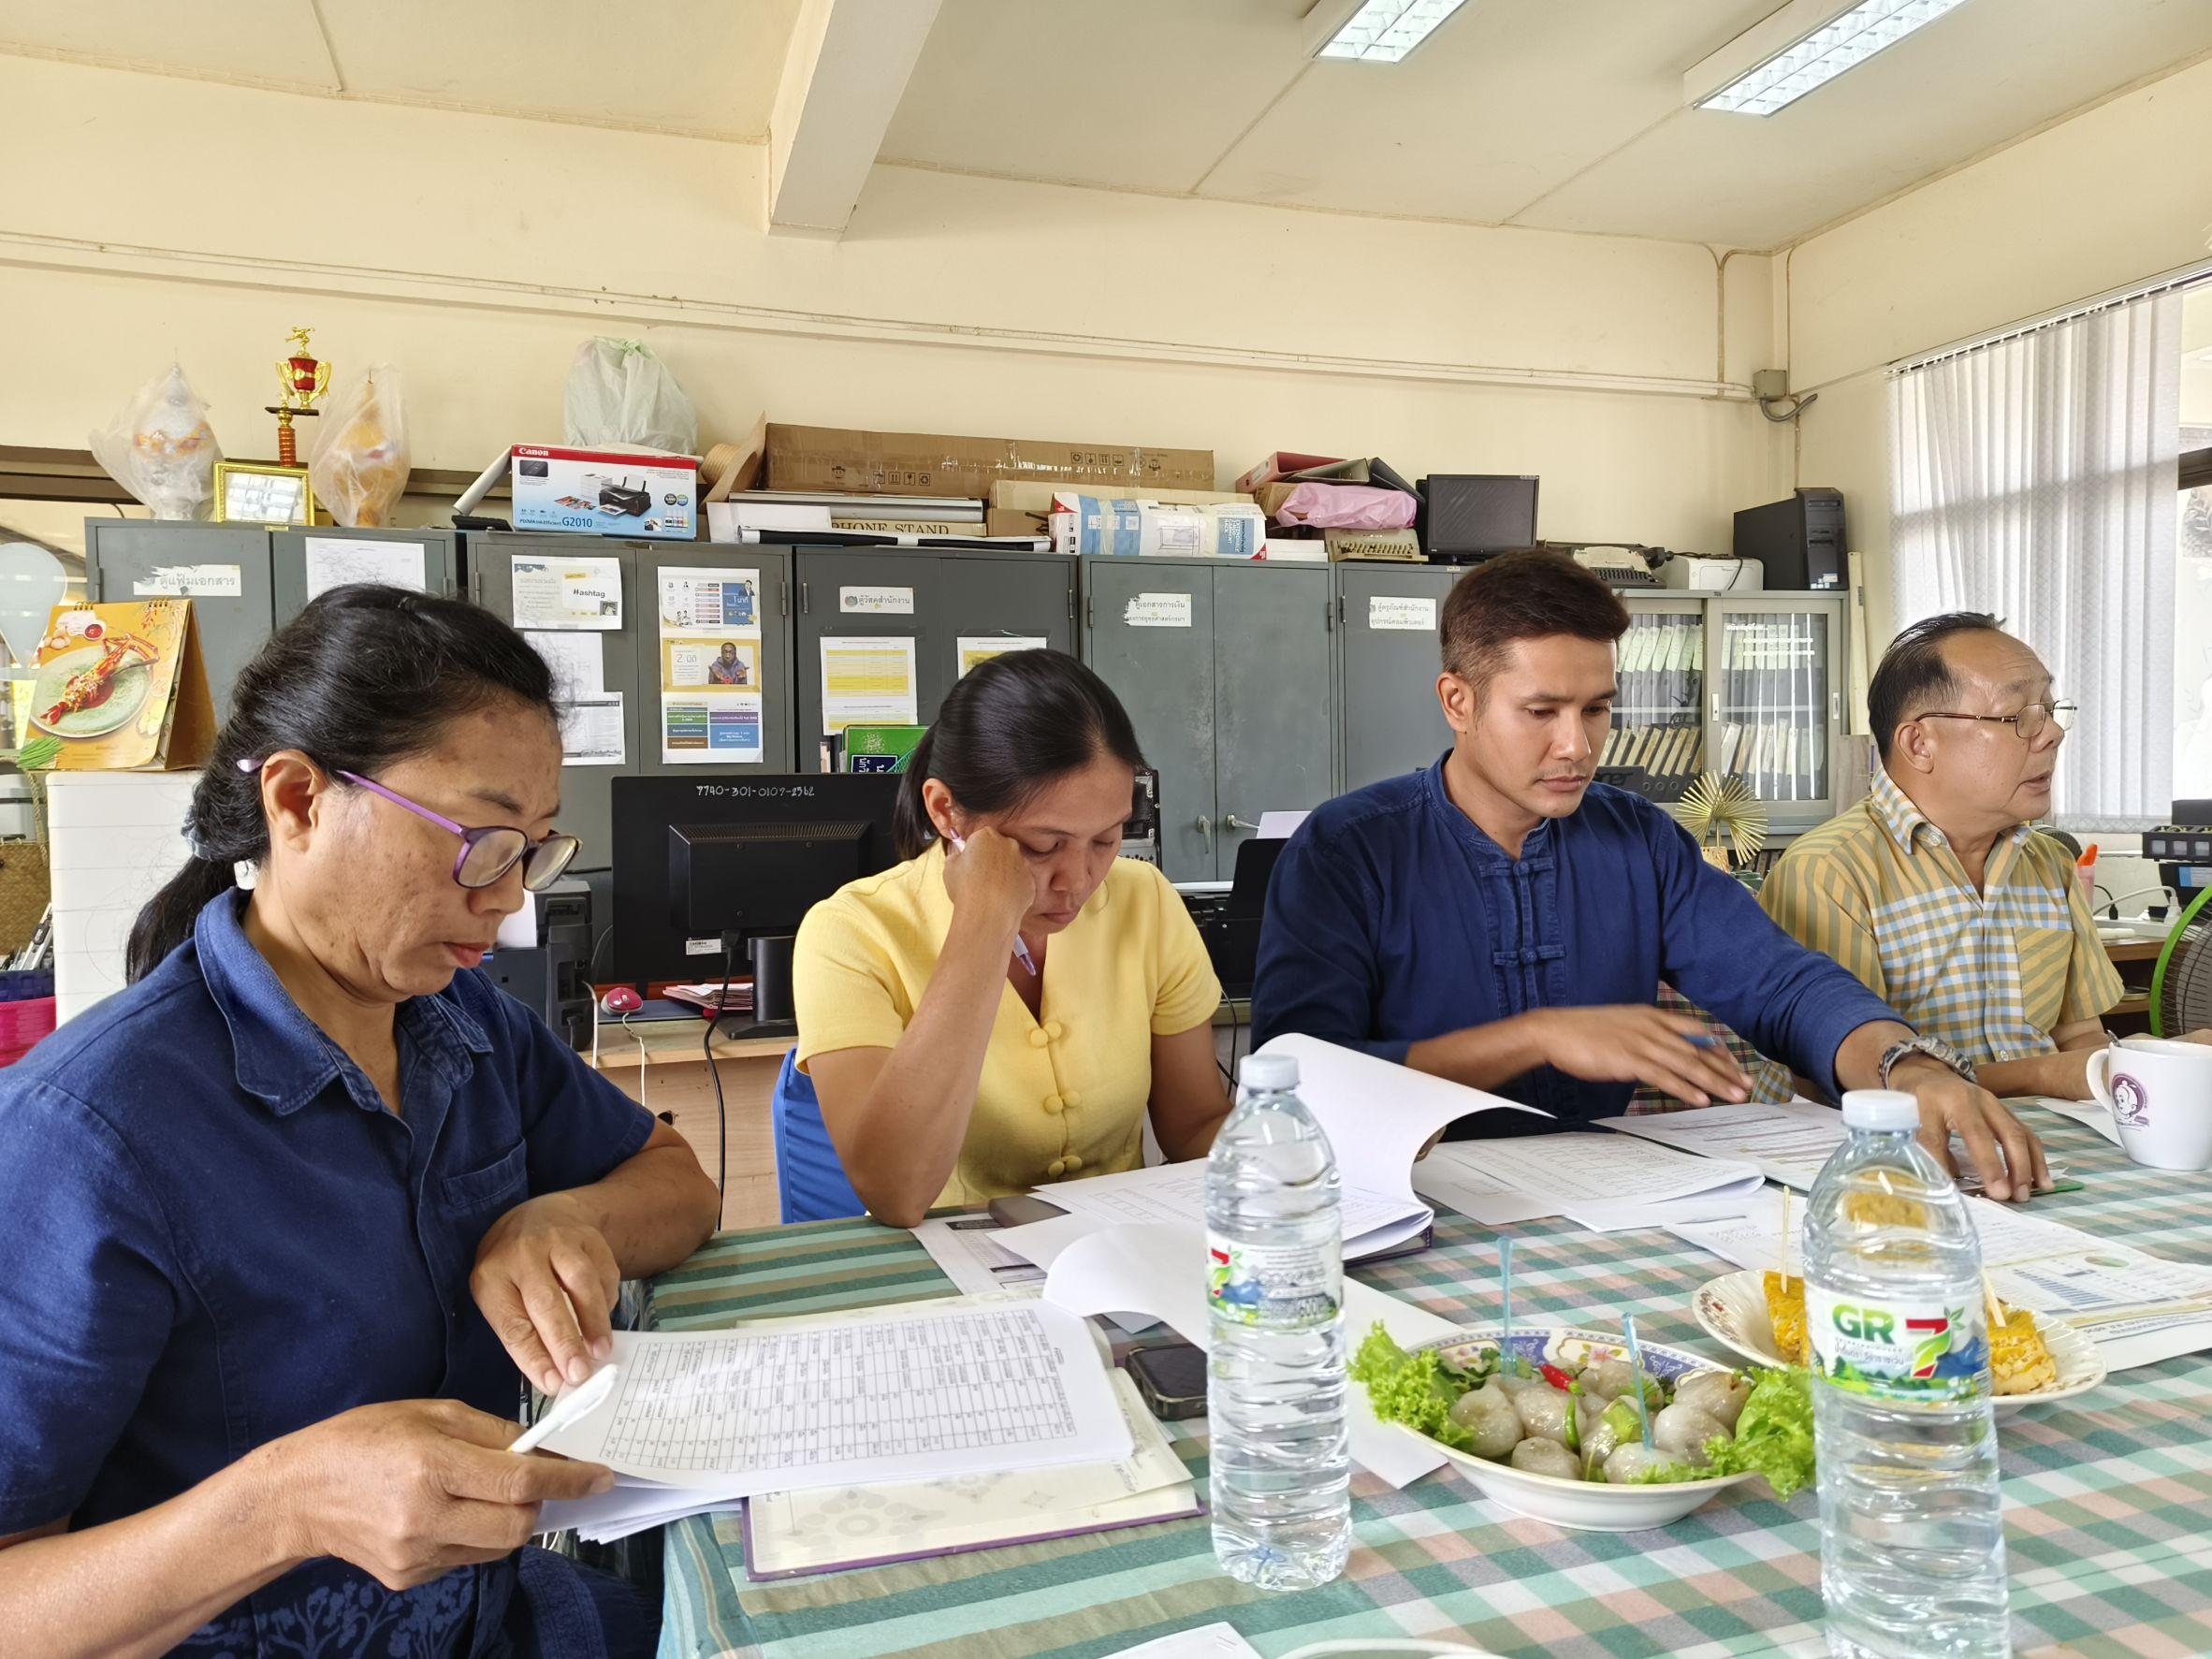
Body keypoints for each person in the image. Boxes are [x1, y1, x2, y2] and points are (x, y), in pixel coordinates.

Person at [0, 587, 721, 1658]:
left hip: (501, 1618)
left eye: (531, 849)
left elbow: (679, 1184)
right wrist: (282, 1505)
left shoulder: (463, 1024)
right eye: (478, 843)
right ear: (296, 801)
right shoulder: (89, 1134)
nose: (510, 902)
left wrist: (564, 1219)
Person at [1251, 551, 2046, 1199]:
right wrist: (1537, 1036)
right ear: (1458, 701)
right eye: (1542, 711)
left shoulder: (1633, 838)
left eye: (1598, 708)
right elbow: (1301, 1081)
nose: (1577, 744)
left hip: (1609, 1202)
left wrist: (1899, 1062)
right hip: (1404, 1203)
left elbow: (1780, 983)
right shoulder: (1349, 850)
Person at [795, 650, 1230, 1227]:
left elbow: (1194, 1126)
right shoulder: (851, 932)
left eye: (1105, 840)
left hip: (1126, 1256)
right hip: (956, 1278)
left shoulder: (1144, 898)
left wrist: (1298, 1149)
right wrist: (985, 922)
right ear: (946, 811)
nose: (1077, 881)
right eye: (1041, 846)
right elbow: (896, 1192)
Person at [1763, 613, 2209, 1097]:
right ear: (1919, 743)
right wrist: (2044, 1074)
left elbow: (2079, 1036)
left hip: (2040, 1138)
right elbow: (1831, 1081)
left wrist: (2162, 1061)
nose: (2053, 733)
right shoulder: (1828, 871)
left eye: (2050, 708)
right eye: (2019, 716)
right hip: (1872, 1153)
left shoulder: (2048, 864)